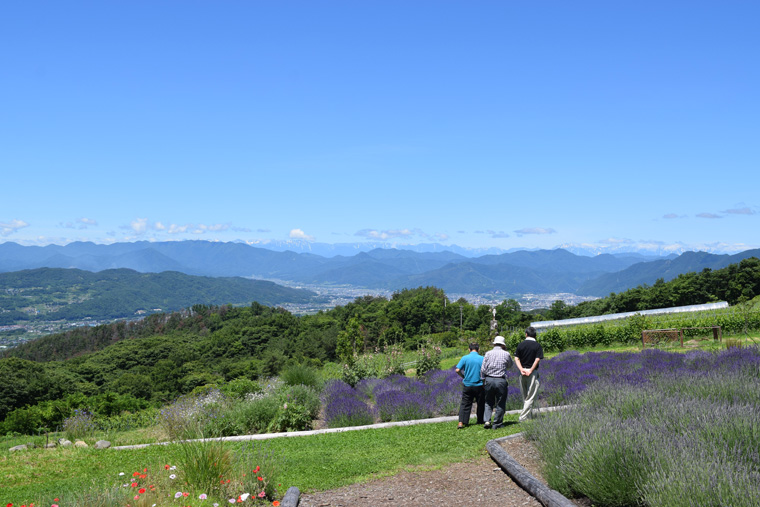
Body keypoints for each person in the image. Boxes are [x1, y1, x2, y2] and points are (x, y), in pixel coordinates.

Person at [479, 335, 513, 429]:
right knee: (500, 401)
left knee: (488, 401)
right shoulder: (506, 354)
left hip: (489, 379)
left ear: (494, 344)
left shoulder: (488, 353)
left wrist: (483, 380)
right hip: (500, 380)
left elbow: (483, 369)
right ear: (503, 345)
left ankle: (487, 420)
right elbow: (510, 365)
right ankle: (497, 423)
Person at [514, 326, 544, 422]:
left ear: (526, 334)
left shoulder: (520, 345)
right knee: (531, 396)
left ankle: (528, 416)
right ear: (535, 335)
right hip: (532, 372)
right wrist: (531, 370)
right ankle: (523, 417)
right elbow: (537, 359)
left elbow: (516, 358)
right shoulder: (537, 346)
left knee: (525, 396)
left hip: (522, 372)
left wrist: (521, 369)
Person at [455, 342, 485, 428]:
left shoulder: (465, 358)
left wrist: (463, 376)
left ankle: (461, 422)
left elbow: (457, 370)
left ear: (469, 349)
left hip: (467, 384)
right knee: (480, 403)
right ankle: (480, 420)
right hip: (479, 384)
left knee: (465, 404)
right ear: (479, 349)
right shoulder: (482, 358)